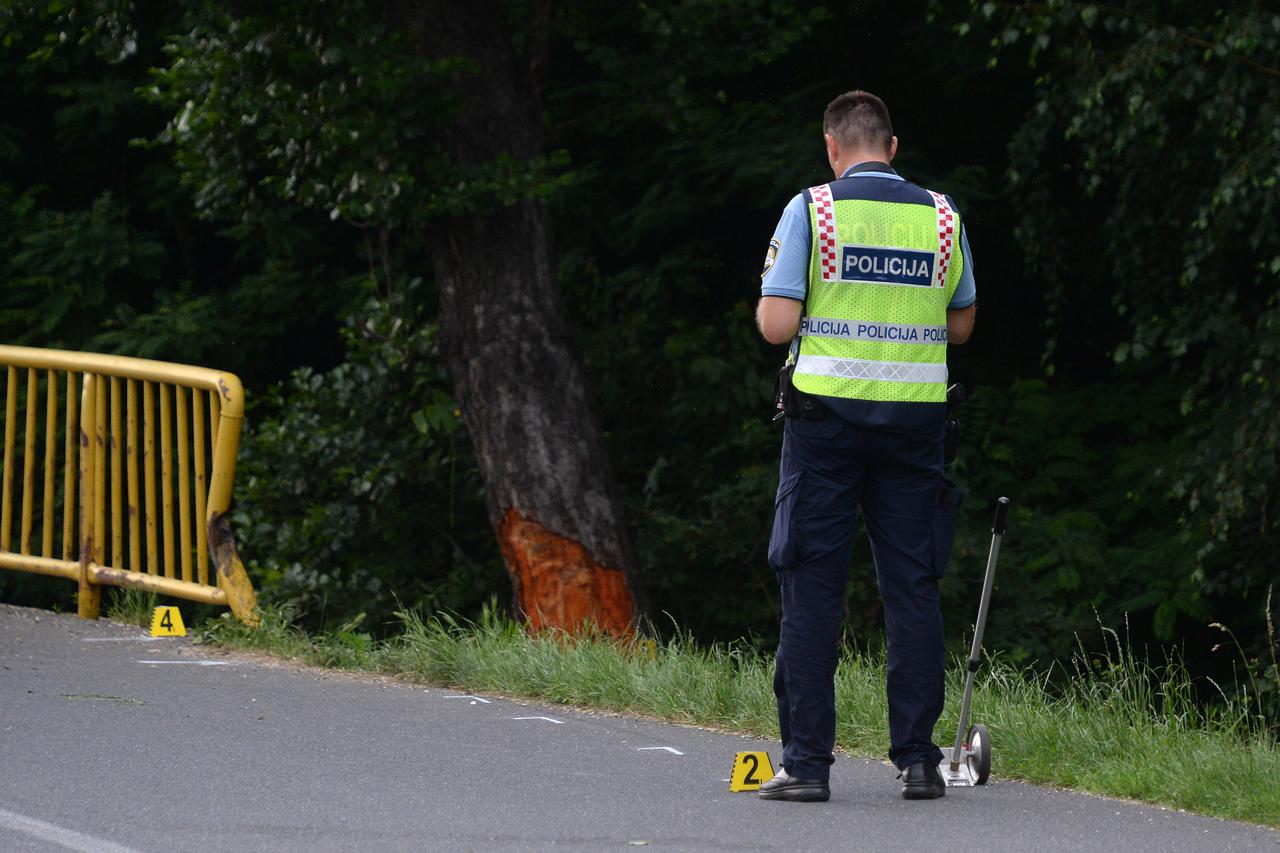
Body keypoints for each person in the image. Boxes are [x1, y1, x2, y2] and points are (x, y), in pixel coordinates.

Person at [754, 90, 976, 803]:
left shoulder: (812, 210)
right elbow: (962, 325)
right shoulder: (943, 216)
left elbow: (776, 324)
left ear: (831, 146)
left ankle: (808, 765)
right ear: (892, 145)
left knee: (813, 584)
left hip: (824, 426)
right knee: (911, 585)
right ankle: (918, 761)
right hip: (914, 426)